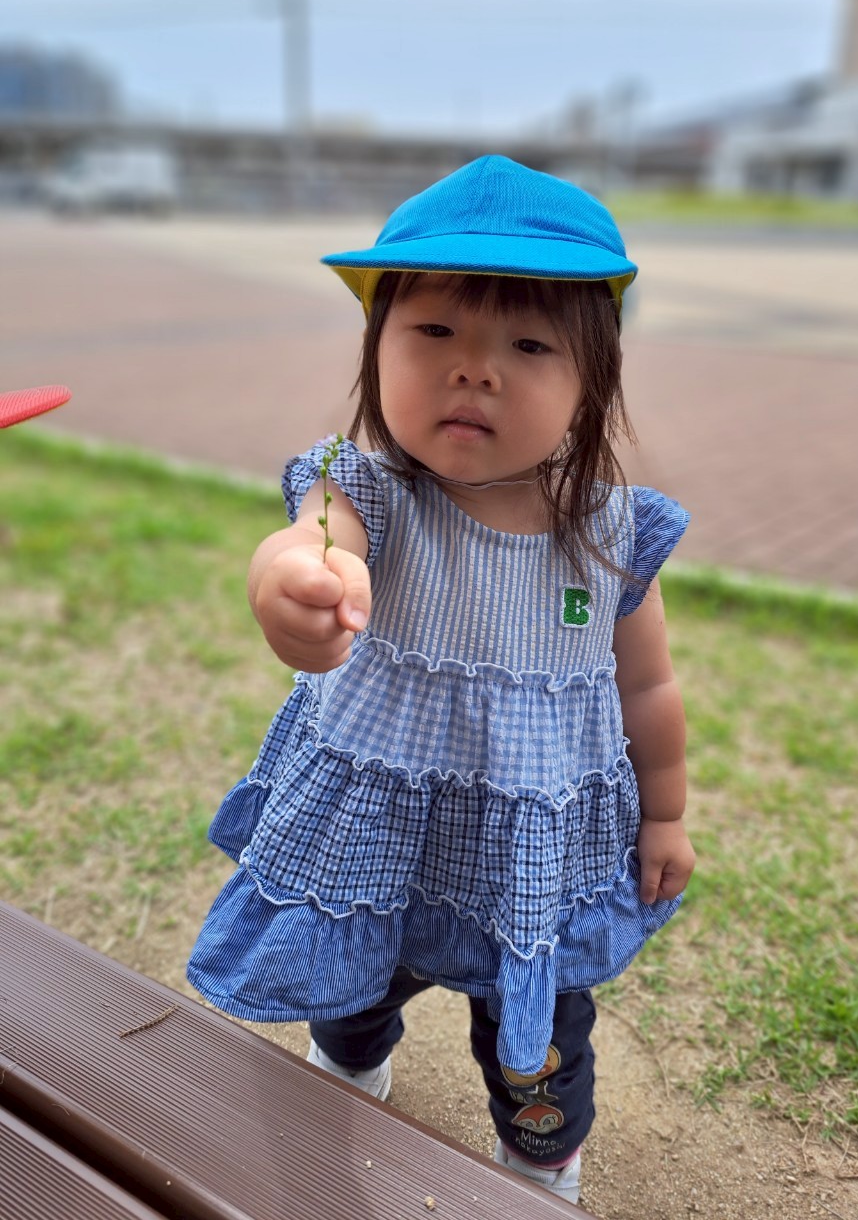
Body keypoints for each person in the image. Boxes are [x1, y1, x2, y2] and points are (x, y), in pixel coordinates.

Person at [187, 155, 695, 1204]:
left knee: (540, 1041)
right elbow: (312, 541)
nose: (475, 370)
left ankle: (539, 1162)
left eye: (528, 344)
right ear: (375, 348)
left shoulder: (609, 531)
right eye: (434, 331)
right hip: (379, 835)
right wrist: (294, 582)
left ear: (593, 380)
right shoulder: (364, 488)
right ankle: (349, 1064)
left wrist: (666, 814)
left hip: (528, 860)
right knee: (354, 984)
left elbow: (647, 689)